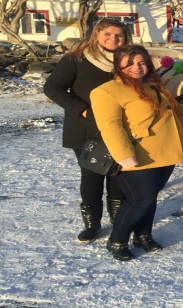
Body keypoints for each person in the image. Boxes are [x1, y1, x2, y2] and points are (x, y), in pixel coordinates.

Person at [90, 45, 183, 261]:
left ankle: (143, 235)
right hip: (137, 155)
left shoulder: (153, 86)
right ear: (118, 65)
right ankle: (117, 240)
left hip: (164, 152)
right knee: (139, 200)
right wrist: (124, 156)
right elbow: (110, 126)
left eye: (141, 62)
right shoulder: (106, 91)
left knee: (150, 199)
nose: (137, 67)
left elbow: (175, 109)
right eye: (129, 63)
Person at [43, 18, 133, 243]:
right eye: (107, 35)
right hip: (85, 128)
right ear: (96, 35)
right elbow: (52, 87)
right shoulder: (77, 58)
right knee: (92, 175)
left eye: (118, 36)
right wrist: (81, 109)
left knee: (119, 175)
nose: (113, 39)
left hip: (122, 128)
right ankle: (92, 224)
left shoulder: (128, 60)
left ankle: (118, 219)